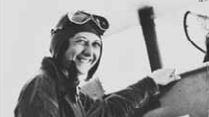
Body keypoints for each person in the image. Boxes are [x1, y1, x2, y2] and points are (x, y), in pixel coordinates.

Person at [14, 10, 179, 117]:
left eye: (95, 44)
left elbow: (108, 111)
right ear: (61, 46)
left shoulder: (70, 90)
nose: (89, 52)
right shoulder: (41, 87)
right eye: (81, 41)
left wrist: (151, 82)